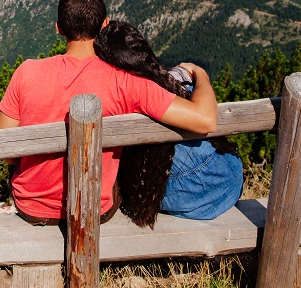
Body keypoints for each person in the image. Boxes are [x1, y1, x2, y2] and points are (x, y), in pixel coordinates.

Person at [0, 0, 220, 225]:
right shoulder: (126, 81)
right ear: (105, 24)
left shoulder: (26, 72)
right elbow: (206, 119)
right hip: (95, 211)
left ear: (58, 28)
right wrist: (200, 74)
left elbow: (7, 153)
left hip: (32, 208)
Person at [94, 20, 243, 227]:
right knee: (188, 90)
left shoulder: (118, 92)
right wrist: (201, 74)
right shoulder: (155, 86)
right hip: (225, 180)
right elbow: (207, 120)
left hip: (183, 190)